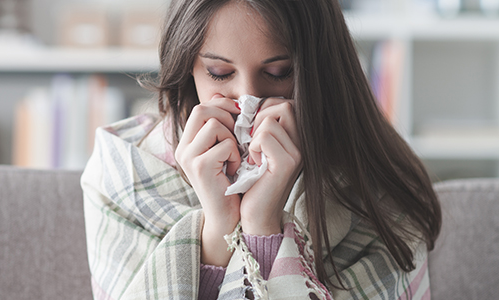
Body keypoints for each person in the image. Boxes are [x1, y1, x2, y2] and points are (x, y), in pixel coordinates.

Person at [81, 0, 442, 299]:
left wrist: (262, 225)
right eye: (220, 73)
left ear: (320, 71)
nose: (247, 100)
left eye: (279, 72)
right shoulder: (123, 169)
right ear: (187, 66)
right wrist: (218, 227)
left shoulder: (374, 185)